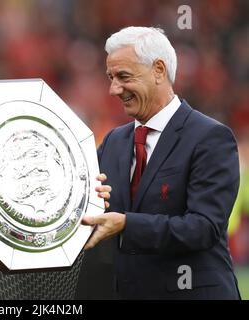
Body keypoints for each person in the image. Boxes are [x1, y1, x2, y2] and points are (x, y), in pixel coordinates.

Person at [78, 26, 241, 299]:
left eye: (123, 77)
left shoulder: (210, 137)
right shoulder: (113, 142)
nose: (113, 89)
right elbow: (86, 205)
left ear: (159, 70)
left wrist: (127, 224)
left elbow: (203, 227)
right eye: (110, 77)